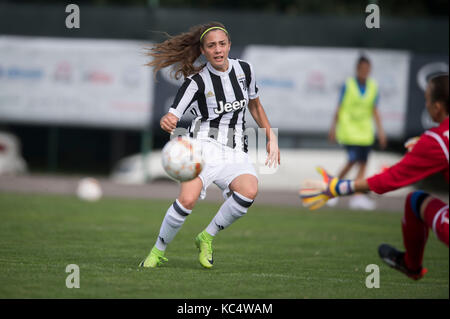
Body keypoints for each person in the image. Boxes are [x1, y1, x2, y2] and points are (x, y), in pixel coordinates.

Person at [139, 22, 280, 269]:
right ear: (203, 50)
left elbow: (255, 105)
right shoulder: (196, 82)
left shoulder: (245, 70)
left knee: (248, 191)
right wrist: (168, 119)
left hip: (236, 149)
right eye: (211, 46)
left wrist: (271, 137)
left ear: (229, 46)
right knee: (188, 200)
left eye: (222, 44)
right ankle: (157, 251)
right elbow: (172, 114)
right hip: (203, 147)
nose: (217, 50)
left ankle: (207, 236)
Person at [300, 74, 449, 280]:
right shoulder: (435, 140)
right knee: (415, 200)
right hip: (357, 135)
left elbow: (390, 180)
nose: (426, 104)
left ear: (438, 107)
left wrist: (339, 188)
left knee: (414, 201)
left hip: (360, 136)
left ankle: (411, 266)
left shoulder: (436, 141)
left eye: (427, 100)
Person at [328, 56, 387, 210]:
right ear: (357, 69)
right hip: (349, 131)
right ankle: (331, 190)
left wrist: (381, 132)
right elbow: (339, 107)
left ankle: (357, 197)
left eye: (367, 69)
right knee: (351, 161)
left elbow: (375, 110)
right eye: (362, 69)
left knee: (363, 164)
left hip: (365, 132)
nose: (364, 72)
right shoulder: (348, 85)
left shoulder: (373, 86)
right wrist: (333, 128)